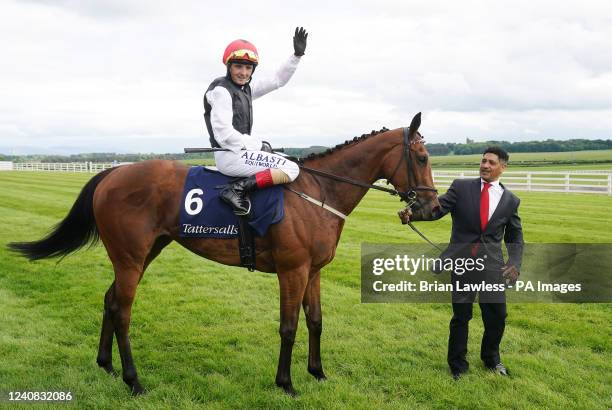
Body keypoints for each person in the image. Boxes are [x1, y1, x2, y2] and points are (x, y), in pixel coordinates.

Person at [407, 146, 524, 380]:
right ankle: (457, 365)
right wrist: (412, 213)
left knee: (497, 316)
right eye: (483, 161)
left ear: (503, 167)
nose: (485, 166)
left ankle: (491, 359)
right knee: (461, 316)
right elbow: (436, 210)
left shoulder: (511, 200)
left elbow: (515, 236)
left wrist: (514, 262)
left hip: (492, 267)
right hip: (462, 263)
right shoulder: (461, 187)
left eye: (491, 162)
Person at [203, 27, 308, 215]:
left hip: (241, 152)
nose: (243, 73)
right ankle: (236, 189)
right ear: (228, 66)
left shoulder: (245, 89)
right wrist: (257, 145)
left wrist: (296, 56)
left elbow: (277, 80)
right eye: (238, 66)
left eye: (248, 68)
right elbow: (224, 135)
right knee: (291, 169)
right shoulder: (221, 92)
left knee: (293, 161)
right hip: (229, 156)